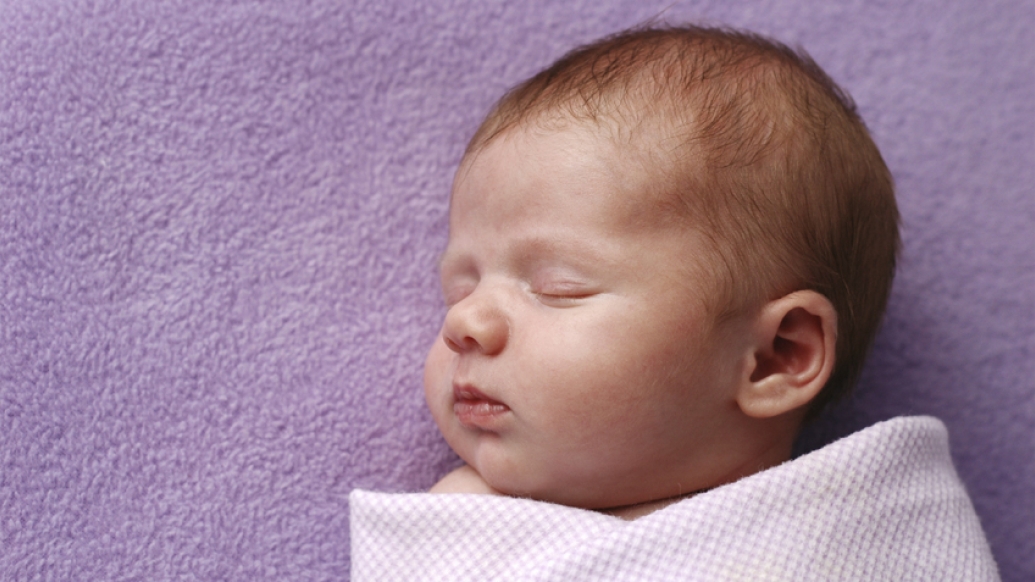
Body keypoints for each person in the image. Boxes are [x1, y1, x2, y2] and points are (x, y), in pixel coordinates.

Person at [422, 24, 899, 520]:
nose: (463, 323)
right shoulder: (464, 532)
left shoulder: (878, 534)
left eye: (557, 289)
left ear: (774, 357)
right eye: (459, 290)